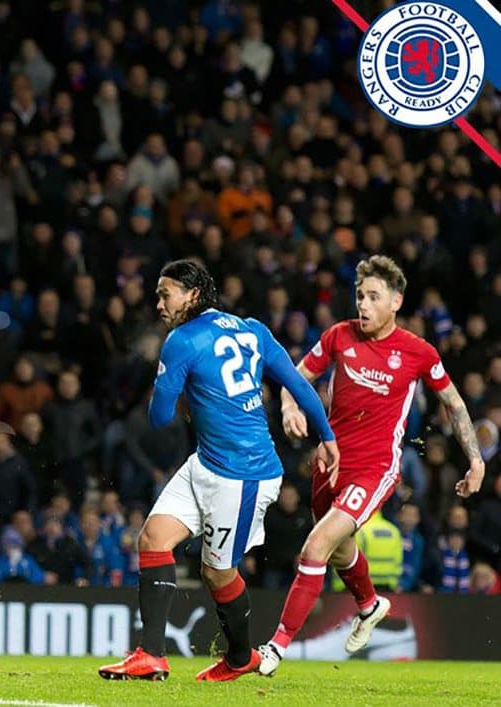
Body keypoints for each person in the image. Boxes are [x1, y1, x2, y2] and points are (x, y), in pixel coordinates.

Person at [98, 260, 337, 682]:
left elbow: (158, 418)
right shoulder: (253, 329)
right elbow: (299, 386)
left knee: (216, 571)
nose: (158, 303)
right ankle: (151, 654)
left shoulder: (180, 341)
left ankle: (241, 656)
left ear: (191, 295)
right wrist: (327, 437)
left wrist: (170, 381)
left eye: (164, 293)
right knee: (153, 538)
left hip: (244, 475)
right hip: (207, 461)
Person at [257, 256, 485, 676]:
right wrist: (290, 406)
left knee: (316, 545)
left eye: (373, 297)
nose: (362, 304)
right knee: (342, 548)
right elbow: (295, 376)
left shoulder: (418, 352)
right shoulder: (338, 336)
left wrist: (474, 460)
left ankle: (275, 646)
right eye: (360, 295)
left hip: (375, 469)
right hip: (330, 464)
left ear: (396, 302)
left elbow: (452, 403)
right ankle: (369, 604)